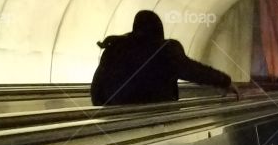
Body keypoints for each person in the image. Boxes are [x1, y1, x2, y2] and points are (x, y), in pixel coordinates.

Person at [91, 10, 231, 106]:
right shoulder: (165, 49)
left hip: (116, 124)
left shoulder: (114, 48)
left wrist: (109, 115)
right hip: (156, 120)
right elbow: (192, 70)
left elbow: (96, 90)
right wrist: (224, 81)